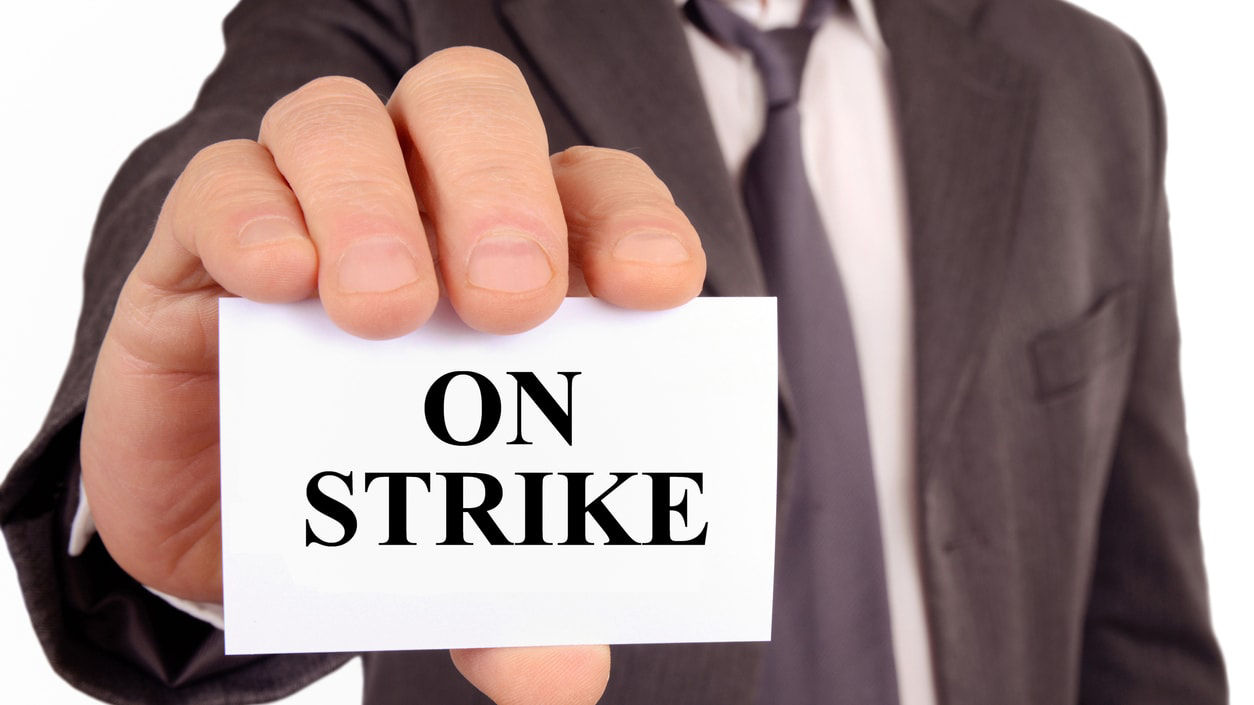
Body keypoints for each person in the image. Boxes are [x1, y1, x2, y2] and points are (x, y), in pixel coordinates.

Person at [0, 0, 1228, 703]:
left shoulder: (1089, 79)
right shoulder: (399, 10)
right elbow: (232, 162)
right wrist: (221, 449)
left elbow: (1141, 622)